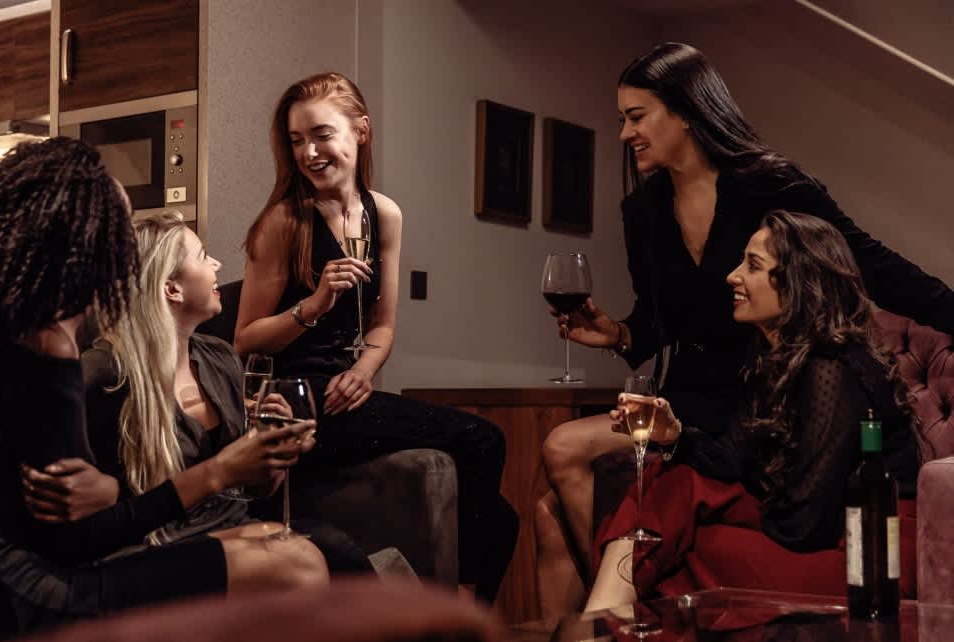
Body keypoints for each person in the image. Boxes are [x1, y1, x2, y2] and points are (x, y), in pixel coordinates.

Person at [536, 42, 954, 615]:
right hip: (689, 393)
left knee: (634, 490)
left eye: (636, 117)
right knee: (560, 454)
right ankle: (618, 608)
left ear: (684, 111)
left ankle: (620, 606)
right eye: (622, 120)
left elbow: (873, 266)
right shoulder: (643, 209)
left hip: (763, 392)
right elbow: (658, 320)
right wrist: (618, 335)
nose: (624, 134)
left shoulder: (771, 186)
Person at [0, 138, 327, 637]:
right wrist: (217, 471)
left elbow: (69, 508)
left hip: (40, 571)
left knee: (273, 537)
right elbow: (75, 544)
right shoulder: (49, 343)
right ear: (84, 237)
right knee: (299, 565)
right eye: (118, 224)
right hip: (41, 595)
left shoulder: (32, 329)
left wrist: (115, 491)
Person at [235, 71, 518, 603]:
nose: (309, 152)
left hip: (348, 390)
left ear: (360, 131)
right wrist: (312, 306)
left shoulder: (382, 213)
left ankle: (459, 622)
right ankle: (461, 613)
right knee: (486, 439)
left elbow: (383, 327)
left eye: (321, 134)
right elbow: (245, 340)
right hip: (295, 399)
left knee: (502, 520)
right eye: (296, 140)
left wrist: (363, 373)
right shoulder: (283, 222)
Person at [584, 210, 919, 610]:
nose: (732, 276)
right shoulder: (773, 355)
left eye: (753, 265)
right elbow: (729, 460)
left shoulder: (832, 366)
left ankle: (600, 623)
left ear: (798, 282)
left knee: (684, 534)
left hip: (868, 554)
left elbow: (805, 522)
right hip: (819, 532)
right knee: (674, 490)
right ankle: (603, 622)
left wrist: (717, 510)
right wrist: (672, 435)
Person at [21, 211, 373, 577]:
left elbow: (257, 491)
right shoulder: (106, 372)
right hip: (157, 546)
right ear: (171, 288)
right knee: (317, 557)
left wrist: (271, 452)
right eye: (204, 256)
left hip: (230, 525)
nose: (218, 264)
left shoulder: (219, 358)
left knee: (335, 547)